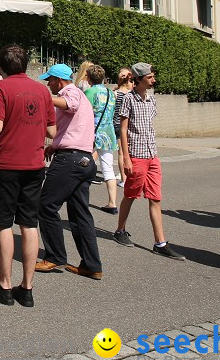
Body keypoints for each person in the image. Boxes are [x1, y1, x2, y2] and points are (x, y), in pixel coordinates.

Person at [0, 44, 55, 307]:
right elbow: (53, 131)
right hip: (34, 164)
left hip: (8, 164)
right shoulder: (42, 90)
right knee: (29, 224)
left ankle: (5, 284)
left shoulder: (2, 87)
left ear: (1, 66)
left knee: (3, 224)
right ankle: (27, 287)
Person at [34, 64, 103, 280]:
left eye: (50, 80)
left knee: (46, 205)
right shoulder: (80, 95)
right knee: (80, 213)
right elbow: (73, 129)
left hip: (70, 161)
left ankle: (54, 256)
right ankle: (91, 264)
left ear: (58, 80)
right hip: (84, 159)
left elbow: (69, 104)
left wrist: (42, 98)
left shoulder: (71, 92)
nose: (48, 84)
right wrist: (53, 145)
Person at [113, 63, 185, 260]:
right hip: (136, 155)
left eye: (153, 76)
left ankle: (160, 242)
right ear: (139, 79)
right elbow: (123, 130)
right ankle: (120, 230)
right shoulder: (128, 99)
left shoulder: (151, 100)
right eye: (150, 77)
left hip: (152, 154)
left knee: (155, 197)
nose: (153, 80)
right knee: (131, 194)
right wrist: (126, 157)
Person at [84, 65, 118, 214]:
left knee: (84, 163)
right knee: (108, 168)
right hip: (108, 133)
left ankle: (80, 198)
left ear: (89, 78)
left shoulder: (90, 92)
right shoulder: (111, 93)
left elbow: (84, 113)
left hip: (93, 132)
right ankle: (112, 203)